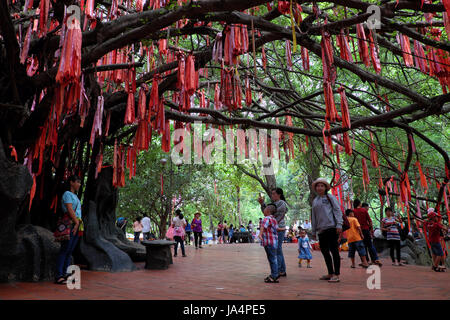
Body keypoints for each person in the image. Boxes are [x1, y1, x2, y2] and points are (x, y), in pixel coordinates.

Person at [310, 178, 342, 283]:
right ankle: (330, 273)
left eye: (321, 186)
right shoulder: (315, 201)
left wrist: (339, 224)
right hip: (321, 230)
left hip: (332, 228)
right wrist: (313, 231)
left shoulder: (330, 197)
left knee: (334, 251)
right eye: (318, 186)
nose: (319, 188)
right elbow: (313, 216)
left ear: (325, 188)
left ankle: (336, 274)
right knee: (324, 252)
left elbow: (337, 210)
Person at [55, 175, 83, 285]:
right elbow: (69, 209)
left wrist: (78, 223)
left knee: (70, 250)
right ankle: (58, 275)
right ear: (71, 182)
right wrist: (76, 222)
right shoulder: (67, 194)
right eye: (77, 182)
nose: (79, 184)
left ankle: (66, 273)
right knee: (65, 249)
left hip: (77, 224)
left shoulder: (75, 196)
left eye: (80, 182)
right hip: (71, 224)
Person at [258, 188, 288, 279]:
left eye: (274, 193)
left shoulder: (281, 203)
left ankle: (278, 271)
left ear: (279, 194)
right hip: (276, 228)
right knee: (278, 250)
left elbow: (273, 215)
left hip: (278, 229)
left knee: (277, 250)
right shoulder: (273, 204)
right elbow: (266, 213)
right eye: (272, 194)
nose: (272, 195)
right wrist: (262, 204)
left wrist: (274, 227)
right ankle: (281, 270)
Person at [353, 199, 382, 266]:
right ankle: (375, 259)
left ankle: (365, 261)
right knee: (370, 245)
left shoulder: (353, 211)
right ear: (359, 204)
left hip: (358, 231)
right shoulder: (364, 211)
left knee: (362, 246)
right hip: (366, 230)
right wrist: (371, 230)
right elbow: (370, 221)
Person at [258, 204, 279, 283]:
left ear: (267, 210)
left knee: (272, 259)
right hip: (274, 242)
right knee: (273, 258)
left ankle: (274, 275)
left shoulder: (266, 218)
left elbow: (263, 226)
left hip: (269, 242)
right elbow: (277, 229)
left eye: (265, 209)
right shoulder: (274, 219)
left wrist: (260, 234)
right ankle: (274, 274)